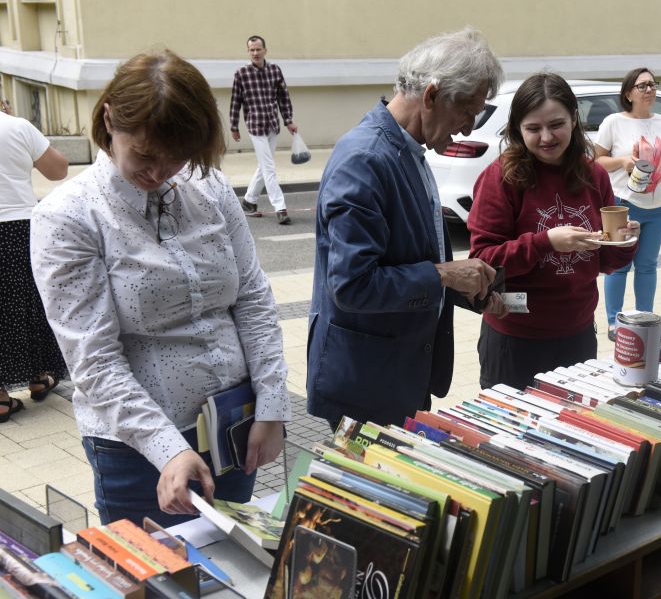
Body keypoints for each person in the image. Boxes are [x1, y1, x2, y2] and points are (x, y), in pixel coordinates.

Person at [30, 49, 291, 526]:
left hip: (234, 425)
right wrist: (167, 449)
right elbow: (93, 358)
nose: (159, 173)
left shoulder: (208, 186)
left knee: (237, 572)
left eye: (177, 158)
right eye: (146, 155)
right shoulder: (69, 216)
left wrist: (272, 405)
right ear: (110, 118)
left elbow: (252, 297)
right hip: (138, 449)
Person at [307, 28, 507, 429]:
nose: (468, 128)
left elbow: (412, 258)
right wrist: (444, 275)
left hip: (397, 373)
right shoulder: (364, 159)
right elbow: (352, 286)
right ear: (431, 95)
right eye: (467, 111)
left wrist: (463, 287)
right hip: (366, 384)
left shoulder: (407, 149)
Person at [467, 73, 640, 389]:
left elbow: (605, 263)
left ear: (574, 119)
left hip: (577, 335)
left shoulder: (594, 175)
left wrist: (624, 242)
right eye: (533, 128)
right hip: (515, 339)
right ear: (518, 129)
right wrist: (545, 242)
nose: (546, 137)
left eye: (556, 124)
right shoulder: (501, 177)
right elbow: (482, 260)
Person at [0, 107, 69, 422]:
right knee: (32, 302)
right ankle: (39, 375)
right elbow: (58, 170)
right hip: (20, 226)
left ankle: (1, 396)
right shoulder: (17, 127)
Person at [594, 67, 661, 340]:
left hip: (659, 203)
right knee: (619, 265)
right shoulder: (614, 122)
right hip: (624, 202)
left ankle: (644, 319)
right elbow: (596, 160)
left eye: (653, 84)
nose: (649, 89)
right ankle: (615, 323)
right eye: (642, 86)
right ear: (628, 93)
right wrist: (624, 162)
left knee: (648, 264)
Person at [229, 35, 297, 225]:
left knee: (264, 165)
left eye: (258, 49)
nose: (255, 53)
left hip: (272, 125)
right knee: (269, 167)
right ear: (248, 52)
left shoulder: (275, 71)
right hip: (255, 126)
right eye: (252, 50)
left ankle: (249, 202)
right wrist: (234, 126)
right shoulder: (241, 73)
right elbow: (236, 101)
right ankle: (280, 208)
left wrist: (288, 121)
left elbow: (284, 97)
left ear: (265, 50)